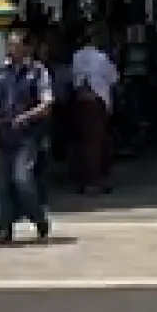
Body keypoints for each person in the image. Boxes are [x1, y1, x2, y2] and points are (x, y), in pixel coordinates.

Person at [0, 30, 53, 245]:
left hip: (26, 136)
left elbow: (47, 104)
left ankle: (38, 217)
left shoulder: (38, 72)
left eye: (16, 45)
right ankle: (3, 229)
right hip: (2, 135)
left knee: (22, 179)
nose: (11, 49)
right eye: (10, 45)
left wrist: (26, 117)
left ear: (26, 48)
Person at [70, 26, 119, 195]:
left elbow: (74, 77)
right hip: (96, 101)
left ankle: (83, 179)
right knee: (95, 143)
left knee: (83, 141)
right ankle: (93, 181)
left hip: (81, 99)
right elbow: (113, 78)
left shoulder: (76, 57)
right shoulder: (101, 58)